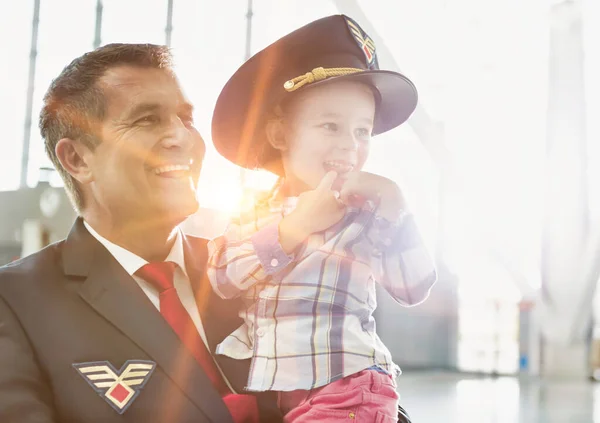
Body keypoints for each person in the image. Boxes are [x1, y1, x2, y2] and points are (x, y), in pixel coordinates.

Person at [0, 43, 281, 423]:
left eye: (185, 118)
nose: (181, 138)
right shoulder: (16, 302)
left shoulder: (251, 270)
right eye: (147, 120)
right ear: (78, 159)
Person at [208, 15, 437, 423]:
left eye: (362, 131)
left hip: (349, 389)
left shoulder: (364, 214)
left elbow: (413, 285)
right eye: (330, 126)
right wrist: (295, 227)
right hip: (276, 395)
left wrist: (395, 203)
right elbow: (223, 278)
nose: (349, 146)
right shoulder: (251, 213)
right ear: (280, 136)